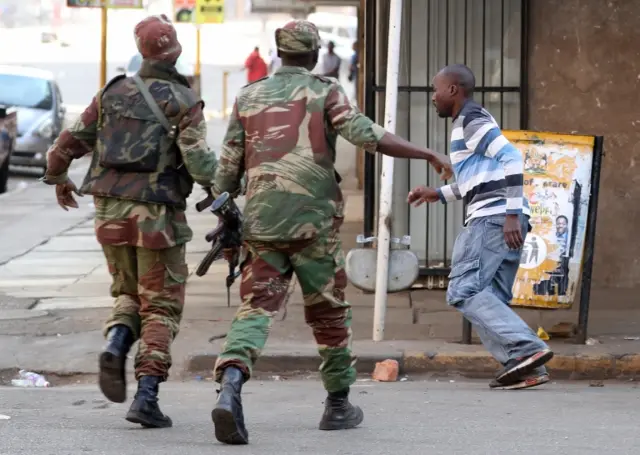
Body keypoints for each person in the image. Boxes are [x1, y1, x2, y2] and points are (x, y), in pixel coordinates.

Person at [209, 20, 452, 445]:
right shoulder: (324, 91)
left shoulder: (248, 96)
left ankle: (230, 383)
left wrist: (224, 219)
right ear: (315, 54)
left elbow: (227, 169)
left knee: (255, 309)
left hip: (262, 222)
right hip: (312, 224)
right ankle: (338, 406)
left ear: (279, 53)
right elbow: (365, 134)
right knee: (328, 312)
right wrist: (425, 151)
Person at [41, 14, 218, 427]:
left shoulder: (112, 92)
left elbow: (66, 145)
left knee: (127, 293)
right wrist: (227, 182)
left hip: (109, 212)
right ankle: (147, 396)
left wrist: (58, 178)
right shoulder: (182, 99)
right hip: (157, 215)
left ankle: (117, 341)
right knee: (160, 306)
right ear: (174, 50)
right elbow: (199, 163)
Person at [407, 64, 554, 391]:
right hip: (504, 217)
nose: (433, 97)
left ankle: (528, 348)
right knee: (492, 297)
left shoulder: (471, 121)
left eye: (436, 89)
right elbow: (478, 179)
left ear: (453, 90)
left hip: (495, 219)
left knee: (464, 290)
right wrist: (439, 193)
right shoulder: (472, 121)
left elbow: (513, 159)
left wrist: (511, 214)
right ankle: (523, 367)